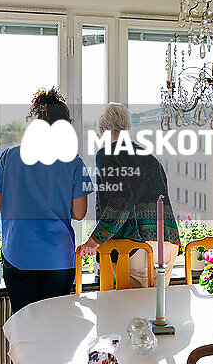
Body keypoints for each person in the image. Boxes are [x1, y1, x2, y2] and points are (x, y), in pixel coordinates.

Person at [0, 87, 93, 313]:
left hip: (18, 254)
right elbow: (79, 213)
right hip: (57, 259)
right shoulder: (74, 163)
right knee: (55, 325)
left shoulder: (9, 157)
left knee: (24, 324)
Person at [77, 102, 180, 287]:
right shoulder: (150, 157)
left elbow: (121, 200)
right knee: (156, 305)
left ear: (102, 130)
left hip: (137, 247)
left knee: (128, 305)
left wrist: (94, 240)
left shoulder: (107, 154)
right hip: (168, 244)